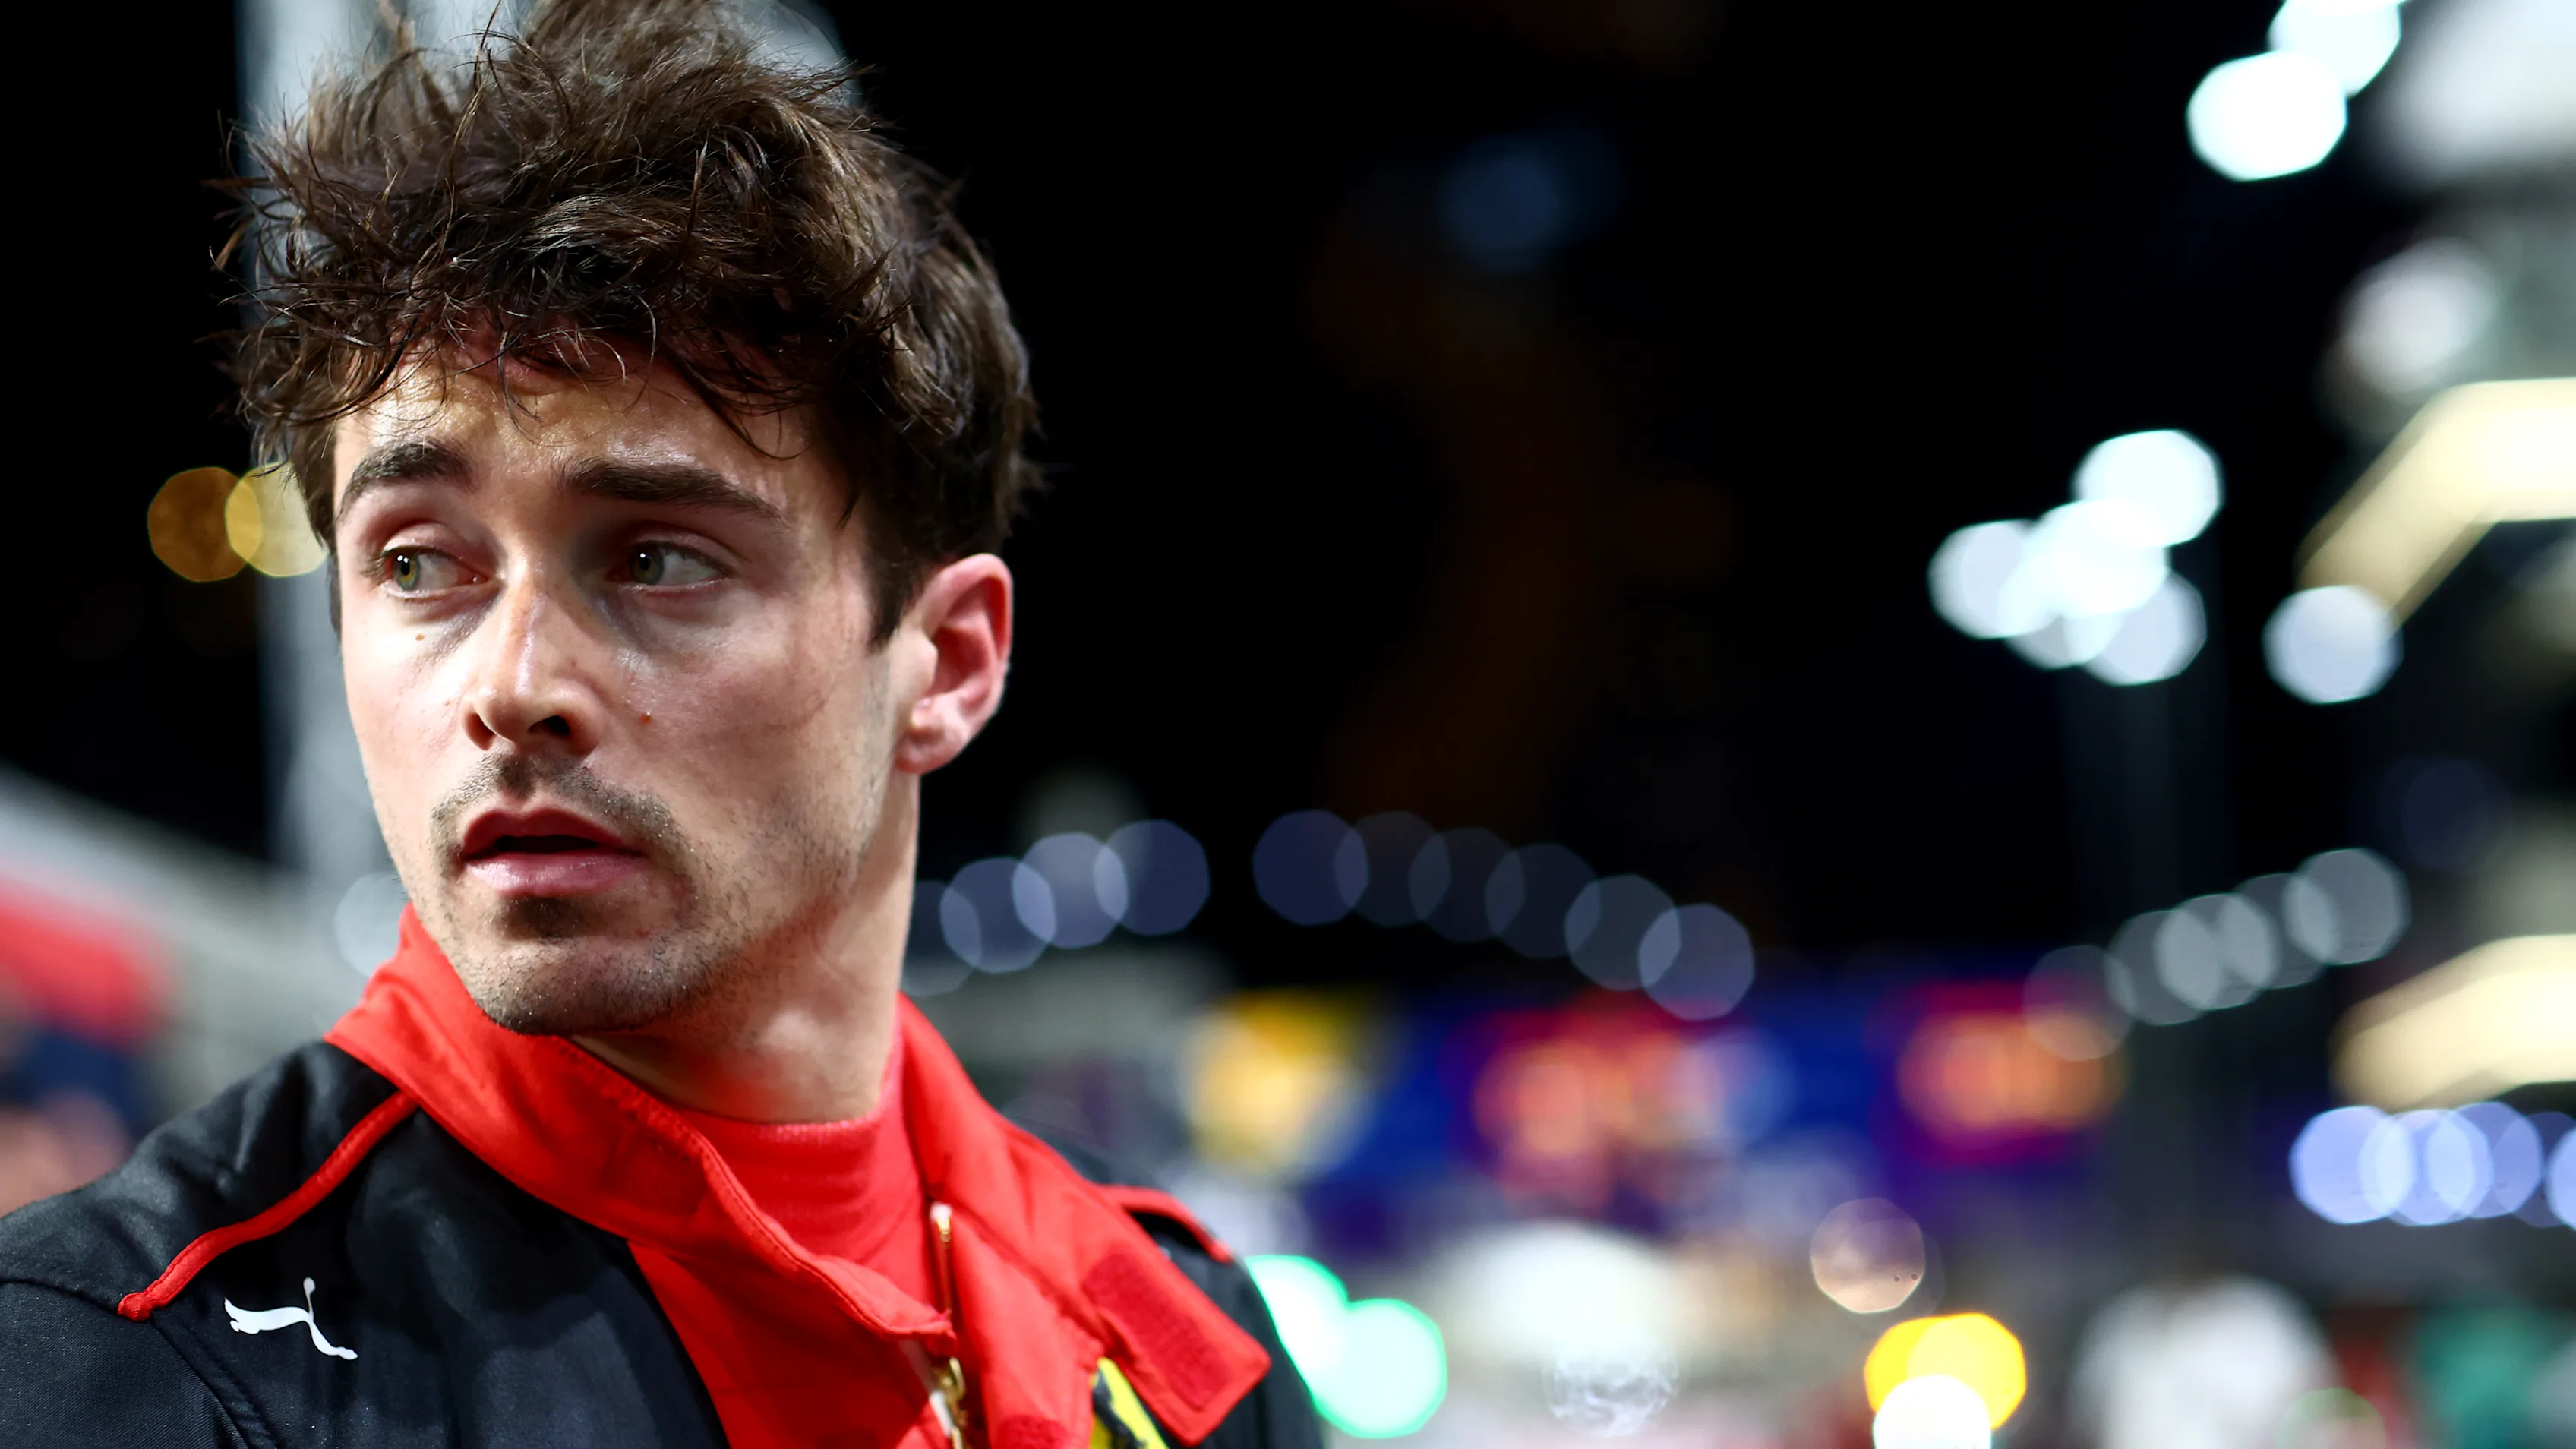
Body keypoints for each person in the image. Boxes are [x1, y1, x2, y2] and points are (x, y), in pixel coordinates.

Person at [0, 4, 1320, 1446]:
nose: (511, 684)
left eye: (657, 558)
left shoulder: (1191, 1353)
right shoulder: (111, 1376)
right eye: (420, 562)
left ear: (943, 664)